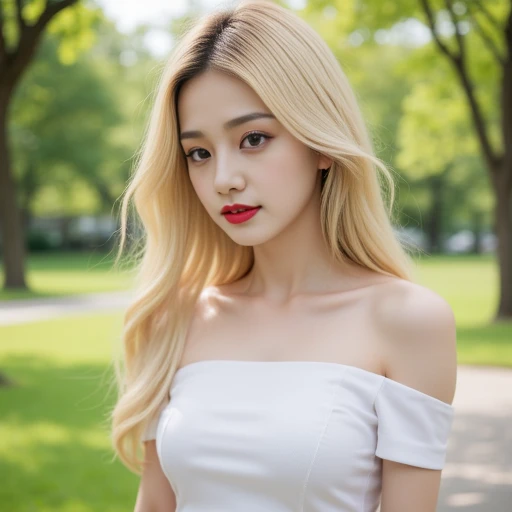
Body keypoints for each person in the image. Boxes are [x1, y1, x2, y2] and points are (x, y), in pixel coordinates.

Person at [110, 1, 457, 510]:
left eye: (253, 139)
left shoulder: (407, 322)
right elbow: (156, 504)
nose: (223, 177)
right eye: (198, 153)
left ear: (321, 144)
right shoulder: (174, 318)